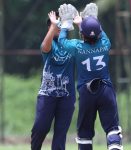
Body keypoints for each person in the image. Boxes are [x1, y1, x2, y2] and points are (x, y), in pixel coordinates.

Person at [57, 3, 123, 150]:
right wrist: (90, 19)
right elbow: (98, 33)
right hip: (106, 90)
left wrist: (67, 23)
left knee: (85, 133)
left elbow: (62, 41)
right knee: (112, 128)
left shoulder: (77, 47)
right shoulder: (106, 44)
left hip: (87, 93)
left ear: (82, 35)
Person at [31, 11, 76, 150]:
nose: (58, 26)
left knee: (61, 133)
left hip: (66, 96)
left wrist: (80, 23)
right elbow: (45, 47)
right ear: (49, 27)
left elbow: (86, 44)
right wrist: (53, 25)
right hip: (47, 94)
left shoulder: (71, 44)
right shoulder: (49, 44)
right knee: (41, 127)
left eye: (60, 23)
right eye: (55, 23)